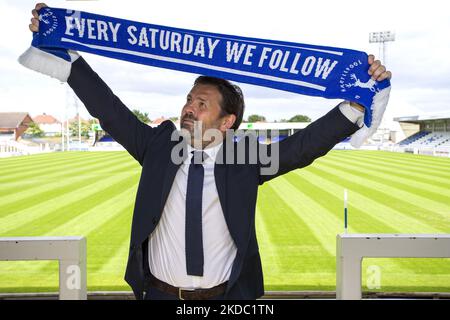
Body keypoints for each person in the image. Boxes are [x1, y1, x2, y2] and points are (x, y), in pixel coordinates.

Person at [29, 3, 392, 300]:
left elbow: (302, 147)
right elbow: (108, 109)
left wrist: (358, 101)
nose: (188, 108)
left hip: (228, 298)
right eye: (189, 100)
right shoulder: (157, 146)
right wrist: (63, 49)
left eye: (201, 104)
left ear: (226, 122)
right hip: (160, 294)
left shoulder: (246, 158)